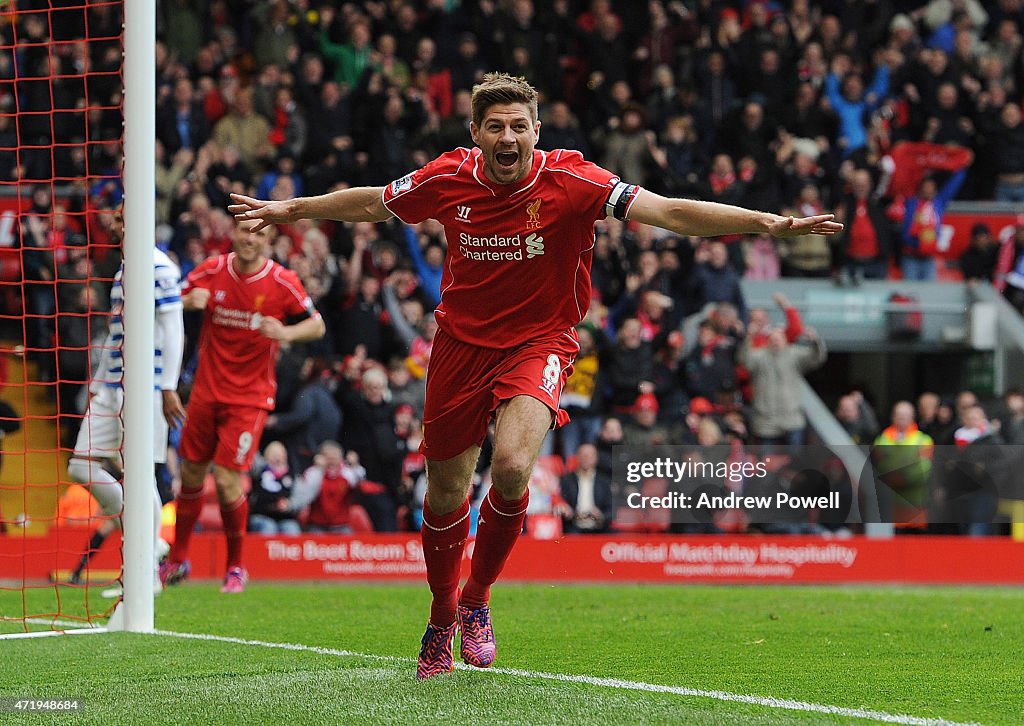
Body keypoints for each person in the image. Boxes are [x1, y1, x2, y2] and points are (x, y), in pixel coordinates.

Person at [228, 72, 842, 679]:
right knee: (444, 493)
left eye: (519, 126)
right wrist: (292, 209)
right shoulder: (449, 176)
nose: (508, 136)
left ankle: (476, 602)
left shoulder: (573, 178)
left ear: (536, 132)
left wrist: (766, 223)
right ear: (476, 133)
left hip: (539, 341)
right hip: (460, 347)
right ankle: (442, 616)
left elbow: (671, 212)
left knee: (516, 464)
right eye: (495, 126)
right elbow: (372, 201)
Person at [160, 219, 325, 594]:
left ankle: (236, 567)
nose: (251, 240)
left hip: (250, 397)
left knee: (225, 478)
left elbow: (317, 326)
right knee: (190, 477)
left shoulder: (282, 281)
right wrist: (188, 301)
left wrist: (285, 332)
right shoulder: (213, 269)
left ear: (269, 242)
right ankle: (177, 560)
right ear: (235, 235)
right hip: (205, 392)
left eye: (260, 235)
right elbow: (167, 303)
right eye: (245, 232)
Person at [67, 240, 186, 591]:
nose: (120, 226)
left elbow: (174, 327)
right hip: (112, 387)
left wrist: (168, 385)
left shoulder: (160, 267)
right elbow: (116, 334)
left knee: (140, 477)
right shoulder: (122, 270)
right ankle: (152, 545)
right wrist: (99, 380)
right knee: (80, 464)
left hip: (146, 387)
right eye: (118, 220)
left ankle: (145, 573)